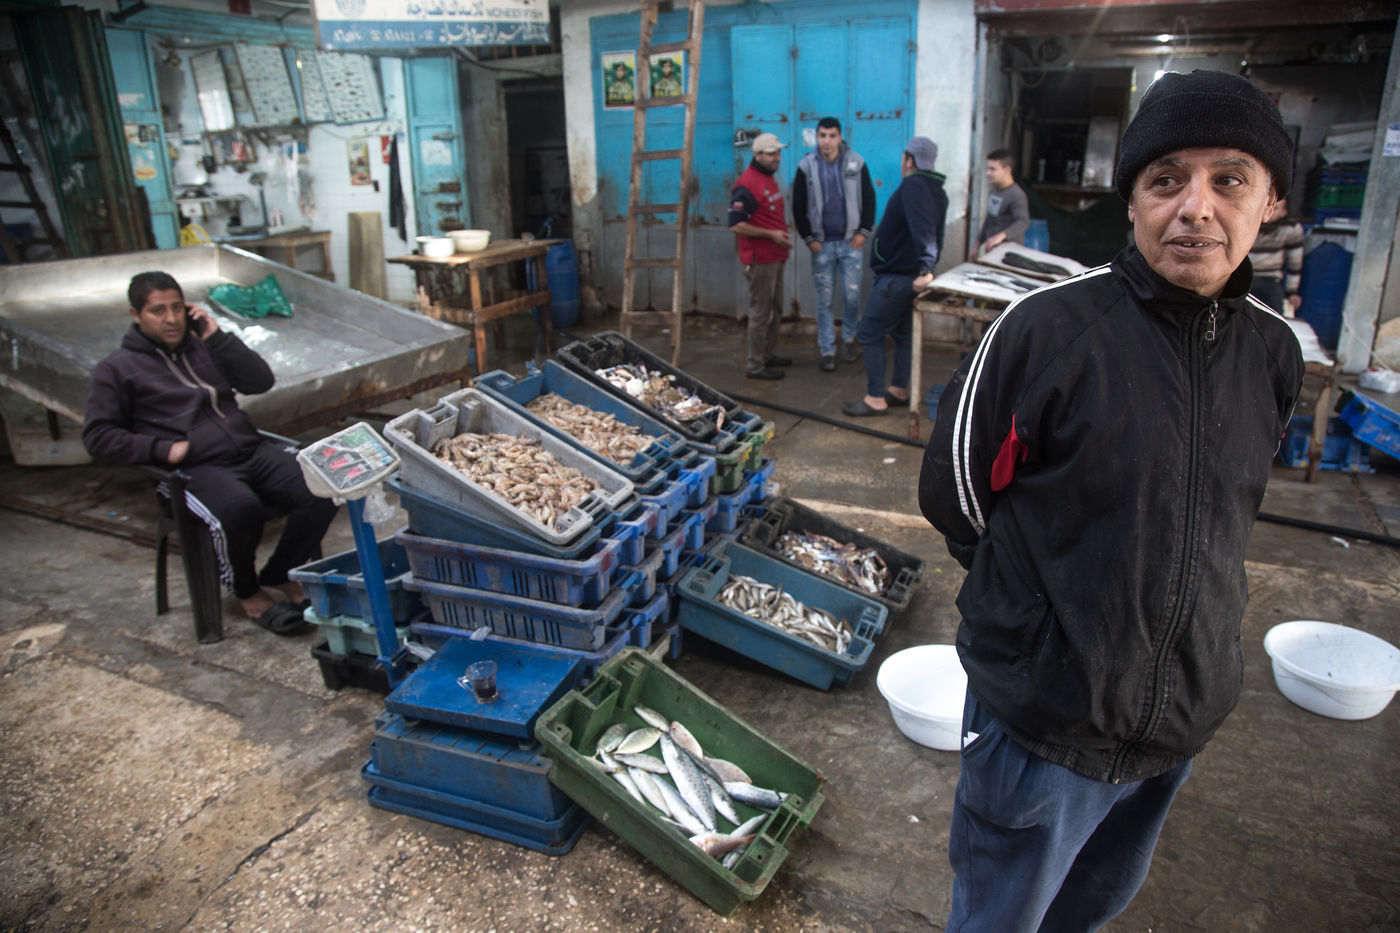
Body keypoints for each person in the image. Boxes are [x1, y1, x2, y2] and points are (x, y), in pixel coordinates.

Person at [918, 70, 1304, 932]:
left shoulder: (1274, 351)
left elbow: (1223, 513)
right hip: (1043, 721)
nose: (1196, 207)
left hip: (1180, 718)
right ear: (1131, 199)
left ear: (1271, 201)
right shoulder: (1043, 331)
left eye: (1229, 180)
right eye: (1166, 180)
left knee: (1087, 911)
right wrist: (1040, 615)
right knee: (1001, 918)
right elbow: (955, 493)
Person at [83, 272, 338, 636]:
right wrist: (161, 448)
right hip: (191, 469)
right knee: (239, 508)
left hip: (248, 450)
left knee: (324, 483)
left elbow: (260, 381)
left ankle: (281, 572)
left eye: (177, 308)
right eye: (158, 311)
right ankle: (247, 591)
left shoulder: (202, 347)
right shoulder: (116, 369)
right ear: (136, 315)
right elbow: (98, 437)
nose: (171, 318)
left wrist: (217, 337)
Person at [840, 137, 946, 416]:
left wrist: (926, 269)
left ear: (909, 160)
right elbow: (936, 233)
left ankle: (875, 399)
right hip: (906, 275)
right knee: (901, 333)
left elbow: (924, 230)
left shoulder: (914, 186)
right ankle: (898, 389)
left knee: (869, 332)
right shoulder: (936, 190)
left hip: (897, 277)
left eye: (903, 158)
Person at [792, 117, 876, 371]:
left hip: (851, 243)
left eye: (831, 136)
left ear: (840, 137)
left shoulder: (856, 162)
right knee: (825, 300)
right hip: (822, 246)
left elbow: (869, 199)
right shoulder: (806, 166)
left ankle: (849, 339)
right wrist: (809, 239)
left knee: (852, 296)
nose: (826, 141)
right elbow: (797, 205)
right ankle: (827, 350)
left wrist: (863, 232)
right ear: (817, 137)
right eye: (822, 136)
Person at [729, 132, 793, 380]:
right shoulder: (747, 184)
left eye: (778, 152)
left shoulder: (768, 177)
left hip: (775, 256)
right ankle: (755, 365)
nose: (777, 157)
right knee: (760, 312)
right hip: (760, 260)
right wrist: (770, 235)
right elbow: (736, 224)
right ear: (757, 155)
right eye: (771, 154)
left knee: (775, 309)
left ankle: (767, 354)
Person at [970, 148, 1031, 259]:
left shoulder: (1016, 195)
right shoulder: (994, 190)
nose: (988, 173)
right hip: (991, 252)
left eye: (993, 169)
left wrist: (1000, 236)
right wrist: (977, 244)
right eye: (987, 168)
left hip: (1009, 254)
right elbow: (989, 219)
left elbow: (1023, 221)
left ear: (1007, 170)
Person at [1248, 199, 1305, 316]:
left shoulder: (1290, 229)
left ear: (1284, 212)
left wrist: (1292, 292)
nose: (1269, 211)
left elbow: (1295, 263)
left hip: (1270, 279)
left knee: (1275, 316)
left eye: (1275, 208)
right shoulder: (1247, 224)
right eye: (1265, 206)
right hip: (1245, 277)